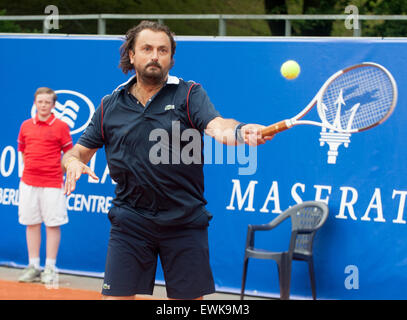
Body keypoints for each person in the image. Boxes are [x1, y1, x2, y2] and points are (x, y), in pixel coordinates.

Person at [62, 20, 273, 300]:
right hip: (130, 221)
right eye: (147, 48)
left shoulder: (189, 94)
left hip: (184, 221)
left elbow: (217, 126)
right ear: (132, 55)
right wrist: (73, 162)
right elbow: (76, 152)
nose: (154, 56)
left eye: (163, 50)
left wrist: (239, 131)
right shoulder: (110, 105)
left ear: (171, 58)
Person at [17, 87, 73, 284]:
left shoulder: (61, 126)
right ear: (35, 103)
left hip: (52, 183)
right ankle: (33, 266)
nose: (43, 105)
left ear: (53, 105)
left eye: (47, 102)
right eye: (40, 102)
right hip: (28, 182)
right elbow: (22, 150)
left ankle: (49, 267)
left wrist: (59, 171)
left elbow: (69, 154)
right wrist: (30, 169)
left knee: (52, 224)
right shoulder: (25, 126)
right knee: (31, 223)